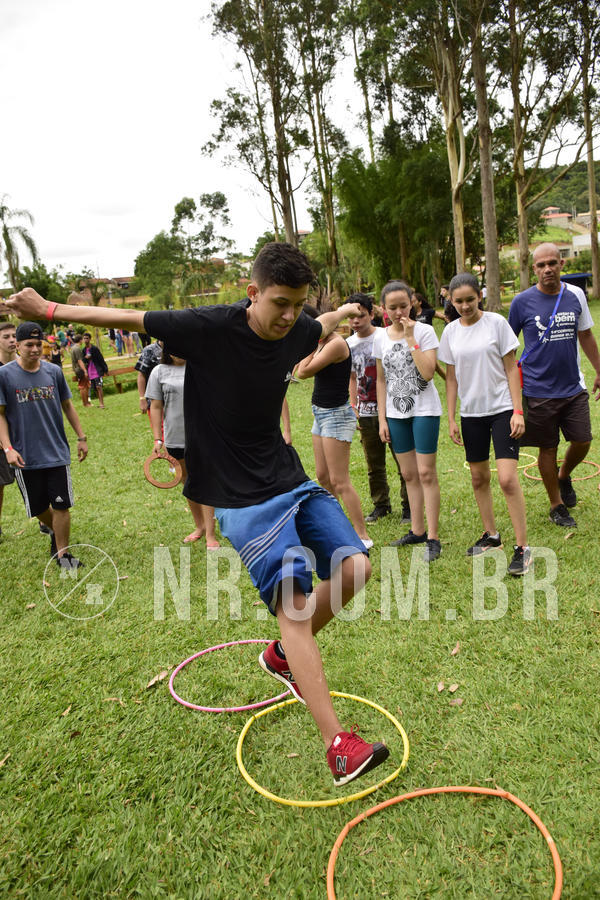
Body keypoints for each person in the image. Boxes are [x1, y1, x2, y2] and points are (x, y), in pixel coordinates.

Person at [4, 243, 390, 787]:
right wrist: (47, 311)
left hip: (288, 477)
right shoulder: (210, 326)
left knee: (357, 568)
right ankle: (337, 745)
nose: (288, 316)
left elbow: (315, 323)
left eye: (297, 304)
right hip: (237, 498)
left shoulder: (299, 325)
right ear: (251, 292)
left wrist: (339, 315)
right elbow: (124, 315)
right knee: (297, 608)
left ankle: (283, 654)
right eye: (278, 302)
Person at [438, 273, 530, 575]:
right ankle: (491, 536)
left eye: (470, 299)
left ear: (480, 296)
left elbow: (511, 369)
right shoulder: (450, 332)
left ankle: (522, 547)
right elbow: (451, 378)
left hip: (503, 409)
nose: (465, 306)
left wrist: (518, 411)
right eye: (458, 301)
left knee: (506, 479)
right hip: (471, 414)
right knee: (478, 478)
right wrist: (451, 417)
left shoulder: (496, 324)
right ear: (450, 301)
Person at [508, 242, 600, 528]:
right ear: (533, 268)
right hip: (538, 391)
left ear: (562, 264)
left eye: (552, 263)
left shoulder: (575, 296)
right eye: (541, 265)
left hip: (573, 386)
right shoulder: (521, 302)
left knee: (583, 440)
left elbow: (585, 335)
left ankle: (564, 476)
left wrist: (598, 369)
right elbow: (508, 348)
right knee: (547, 449)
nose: (547, 269)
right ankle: (556, 505)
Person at [0, 321, 88, 568]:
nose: (35, 349)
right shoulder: (4, 375)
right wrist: (8, 448)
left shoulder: (53, 372)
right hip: (24, 455)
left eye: (39, 344)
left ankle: (63, 555)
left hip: (56, 451)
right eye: (29, 344)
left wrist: (81, 437)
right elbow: (1, 414)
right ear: (17, 345)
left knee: (62, 505)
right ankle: (54, 530)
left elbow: (68, 405)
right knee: (38, 508)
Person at [374, 281, 442, 562]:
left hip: (425, 410)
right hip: (395, 413)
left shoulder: (424, 331)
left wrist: (411, 338)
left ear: (413, 302)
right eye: (392, 308)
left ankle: (433, 537)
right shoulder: (380, 337)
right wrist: (381, 419)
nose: (399, 312)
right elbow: (380, 379)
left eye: (403, 305)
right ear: (383, 309)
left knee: (426, 473)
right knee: (409, 474)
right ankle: (417, 529)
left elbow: (428, 373)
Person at [296, 304, 372, 548]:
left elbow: (303, 372)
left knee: (340, 480)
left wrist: (309, 345)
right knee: (323, 477)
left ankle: (362, 535)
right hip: (320, 414)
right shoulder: (320, 343)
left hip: (336, 416)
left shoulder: (335, 344)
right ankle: (338, 527)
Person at [145, 346, 219, 547]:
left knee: (204, 481)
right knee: (187, 482)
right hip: (174, 438)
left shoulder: (200, 367)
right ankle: (200, 526)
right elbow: (156, 406)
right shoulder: (158, 372)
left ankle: (211, 535)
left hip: (202, 436)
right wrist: (157, 439)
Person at [346, 293, 410, 523]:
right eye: (351, 317)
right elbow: (352, 378)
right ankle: (381, 505)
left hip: (392, 409)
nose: (355, 321)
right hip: (365, 411)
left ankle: (408, 507)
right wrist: (353, 406)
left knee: (403, 461)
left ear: (372, 314)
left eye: (360, 316)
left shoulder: (384, 336)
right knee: (374, 464)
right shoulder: (349, 344)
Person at [0, 321, 17, 537]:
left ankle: (43, 518)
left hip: (23, 432)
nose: (12, 340)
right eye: (6, 337)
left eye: (14, 335)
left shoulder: (23, 365)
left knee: (33, 477)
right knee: (1, 483)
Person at [135, 339, 163, 413]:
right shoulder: (149, 350)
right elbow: (141, 375)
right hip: (155, 401)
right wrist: (142, 398)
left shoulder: (177, 348)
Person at [82, 332, 108, 408]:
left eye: (87, 338)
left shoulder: (94, 348)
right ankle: (100, 402)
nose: (85, 340)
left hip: (97, 370)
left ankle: (102, 404)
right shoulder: (84, 350)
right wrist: (86, 358)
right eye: (84, 338)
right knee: (95, 388)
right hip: (90, 371)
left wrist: (105, 369)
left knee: (99, 387)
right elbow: (83, 360)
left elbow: (100, 358)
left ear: (90, 339)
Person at [69, 334, 91, 407]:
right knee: (83, 386)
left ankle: (87, 402)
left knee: (85, 385)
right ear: (80, 340)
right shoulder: (77, 348)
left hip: (76, 368)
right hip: (80, 369)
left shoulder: (72, 348)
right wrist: (85, 370)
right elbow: (79, 361)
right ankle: (86, 403)